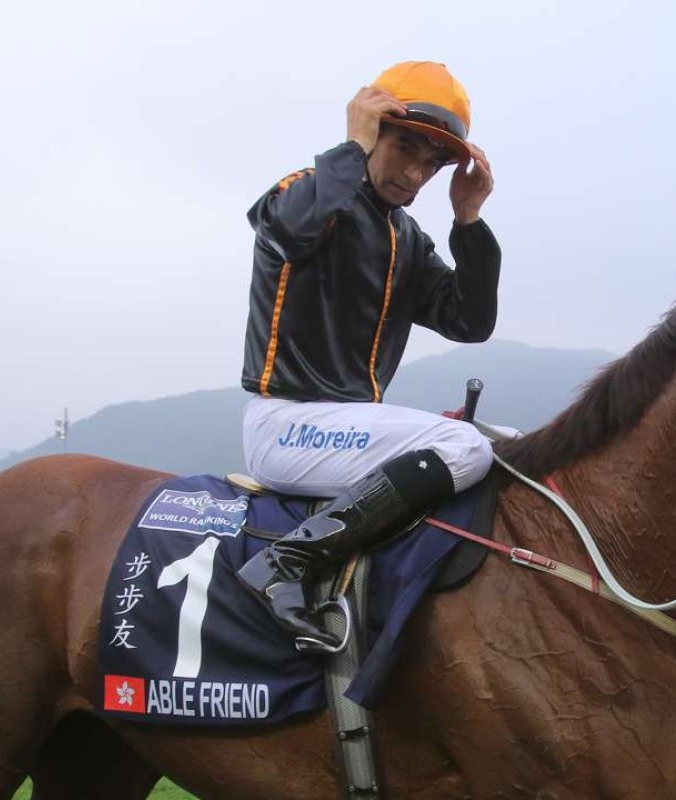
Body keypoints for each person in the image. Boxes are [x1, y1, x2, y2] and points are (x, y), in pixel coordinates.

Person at [235, 61, 500, 653]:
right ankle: (287, 564)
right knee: (464, 446)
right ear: (371, 129)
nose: (415, 173)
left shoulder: (406, 238)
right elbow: (292, 229)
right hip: (287, 424)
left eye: (432, 163)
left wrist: (468, 219)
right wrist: (350, 146)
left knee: (502, 443)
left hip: (347, 428)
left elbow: (470, 320)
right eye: (403, 147)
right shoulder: (303, 194)